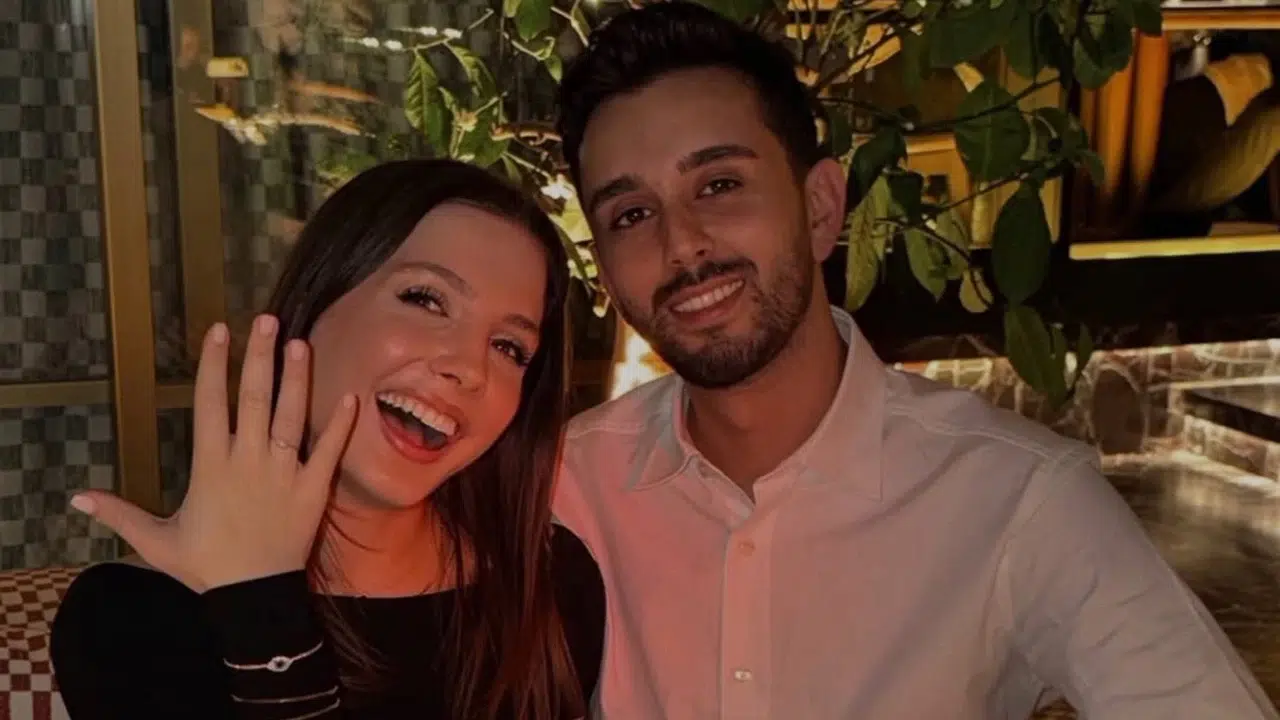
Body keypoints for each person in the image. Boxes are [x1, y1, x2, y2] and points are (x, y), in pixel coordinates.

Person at [549, 3, 1279, 719]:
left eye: (719, 185)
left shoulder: (1015, 499)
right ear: (603, 268)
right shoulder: (566, 485)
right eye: (631, 215)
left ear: (820, 207)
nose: (681, 244)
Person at [50, 159, 604, 720]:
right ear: (316, 302)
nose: (469, 368)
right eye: (426, 300)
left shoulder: (552, 586)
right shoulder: (134, 617)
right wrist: (257, 607)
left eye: (509, 347)